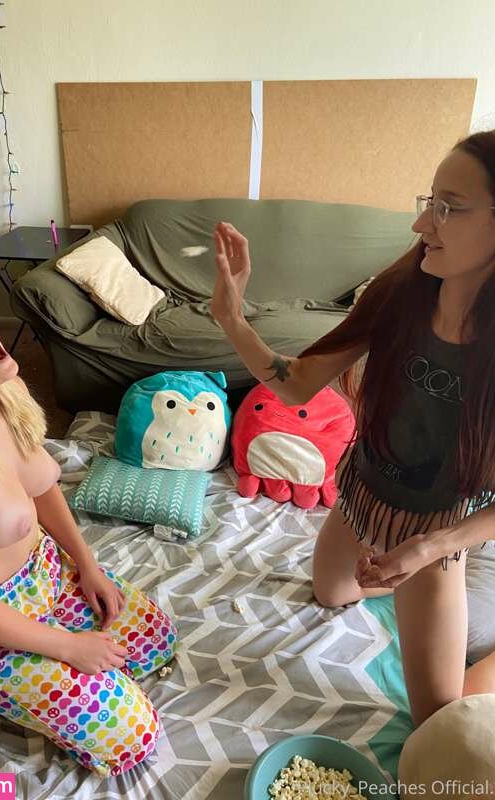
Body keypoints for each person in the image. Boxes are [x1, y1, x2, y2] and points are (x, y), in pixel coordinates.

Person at [210, 130, 495, 728]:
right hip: (366, 493)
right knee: (332, 592)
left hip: (439, 526)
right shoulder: (402, 290)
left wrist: (430, 548)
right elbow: (296, 383)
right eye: (429, 202)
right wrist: (232, 318)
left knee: (442, 724)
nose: (421, 224)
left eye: (448, 207)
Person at [0, 286, 177, 776]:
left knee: (155, 640)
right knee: (135, 735)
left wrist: (87, 567)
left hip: (48, 575)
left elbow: (42, 487)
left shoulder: (7, 396)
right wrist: (70, 647)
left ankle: (62, 673)